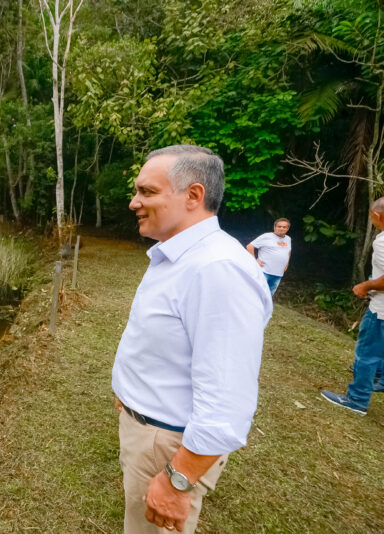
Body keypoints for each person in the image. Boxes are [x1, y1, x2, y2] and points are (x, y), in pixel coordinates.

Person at [112, 145, 272, 533]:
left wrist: (177, 479)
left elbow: (227, 400)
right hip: (148, 431)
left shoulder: (217, 269)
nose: (134, 202)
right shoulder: (181, 256)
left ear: (194, 196)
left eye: (147, 192)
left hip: (165, 446)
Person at [321, 198, 384, 415]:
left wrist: (366, 286)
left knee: (367, 354)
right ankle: (380, 378)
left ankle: (357, 400)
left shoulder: (382, 241)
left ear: (378, 216)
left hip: (381, 311)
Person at [246, 219, 292, 295]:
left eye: (284, 227)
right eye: (279, 226)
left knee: (269, 296)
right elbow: (249, 246)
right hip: (264, 272)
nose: (281, 228)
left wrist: (287, 264)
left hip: (278, 274)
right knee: (257, 294)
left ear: (287, 228)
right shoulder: (266, 236)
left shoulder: (288, 239)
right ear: (274, 227)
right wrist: (254, 260)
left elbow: (288, 252)